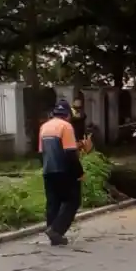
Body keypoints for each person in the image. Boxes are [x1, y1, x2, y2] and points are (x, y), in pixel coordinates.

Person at [38, 100, 90, 246]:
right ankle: (56, 230)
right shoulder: (66, 126)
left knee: (53, 202)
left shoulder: (44, 127)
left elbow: (41, 152)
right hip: (64, 170)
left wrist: (46, 168)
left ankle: (52, 231)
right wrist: (79, 172)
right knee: (72, 201)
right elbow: (69, 153)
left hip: (48, 170)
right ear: (67, 115)